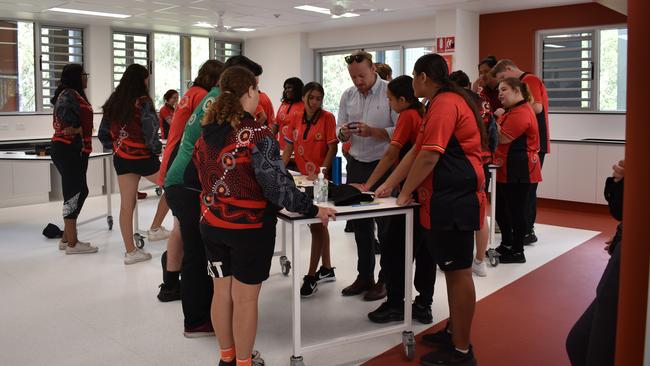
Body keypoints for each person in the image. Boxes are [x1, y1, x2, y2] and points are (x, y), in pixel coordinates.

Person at [194, 66, 336, 366]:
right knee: (245, 298)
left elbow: (189, 174)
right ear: (248, 92)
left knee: (221, 293)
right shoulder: (258, 134)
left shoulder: (206, 133)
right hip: (249, 229)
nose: (258, 95)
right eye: (256, 90)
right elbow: (278, 189)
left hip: (212, 223)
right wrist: (313, 209)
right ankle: (245, 362)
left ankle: (227, 358)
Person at [376, 53, 486, 365]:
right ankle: (455, 331)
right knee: (452, 272)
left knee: (458, 272)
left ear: (424, 77)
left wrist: (405, 192)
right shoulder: (436, 104)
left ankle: (462, 350)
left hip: (455, 199)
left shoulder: (446, 103)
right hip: (444, 198)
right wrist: (389, 186)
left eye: (413, 76)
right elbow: (415, 152)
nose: (412, 83)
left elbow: (429, 157)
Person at [354, 75, 435, 324]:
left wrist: (370, 185)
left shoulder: (408, 116)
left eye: (390, 99)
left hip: (410, 194)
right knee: (423, 252)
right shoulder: (422, 114)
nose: (388, 103)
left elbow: (391, 155)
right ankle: (423, 303)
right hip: (424, 194)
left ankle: (395, 303)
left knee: (393, 248)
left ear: (402, 99)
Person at [163, 60, 226, 336]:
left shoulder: (196, 95)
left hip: (177, 171)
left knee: (189, 243)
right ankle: (197, 320)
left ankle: (173, 288)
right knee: (197, 252)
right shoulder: (212, 99)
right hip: (185, 179)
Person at [337, 50, 397, 301]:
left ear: (373, 69)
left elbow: (400, 132)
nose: (358, 81)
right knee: (361, 225)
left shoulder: (389, 92)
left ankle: (385, 280)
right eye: (353, 77)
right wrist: (344, 134)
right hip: (357, 164)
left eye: (361, 75)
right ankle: (365, 276)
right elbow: (339, 128)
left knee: (386, 227)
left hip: (384, 166)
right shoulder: (348, 95)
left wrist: (373, 131)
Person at [98, 63, 167, 264]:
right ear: (142, 80)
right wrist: (156, 149)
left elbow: (103, 133)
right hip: (143, 158)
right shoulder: (143, 102)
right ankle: (155, 228)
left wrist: (118, 146)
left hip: (122, 158)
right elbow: (150, 130)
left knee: (126, 205)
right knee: (174, 185)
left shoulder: (114, 101)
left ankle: (131, 252)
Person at [282, 82, 338, 297]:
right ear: (303, 97)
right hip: (302, 178)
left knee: (316, 225)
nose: (315, 102)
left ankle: (312, 275)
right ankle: (327, 268)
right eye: (311, 97)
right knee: (320, 225)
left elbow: (332, 147)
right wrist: (279, 170)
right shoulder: (294, 117)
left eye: (319, 98)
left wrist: (322, 172)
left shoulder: (327, 118)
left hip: (320, 180)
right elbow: (288, 147)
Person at [566, 160, 624, 366]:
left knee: (591, 348)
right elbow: (621, 210)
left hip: (632, 264)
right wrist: (621, 181)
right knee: (580, 343)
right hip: (626, 252)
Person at [491, 59, 549, 244]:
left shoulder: (528, 83)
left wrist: (498, 118)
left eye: (503, 85)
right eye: (499, 89)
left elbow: (537, 107)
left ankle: (522, 235)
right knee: (507, 204)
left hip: (523, 158)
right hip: (510, 160)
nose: (500, 93)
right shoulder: (512, 111)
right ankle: (512, 240)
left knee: (520, 202)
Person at [50, 63, 98, 254]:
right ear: (76, 77)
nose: (86, 77)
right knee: (73, 193)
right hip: (67, 148)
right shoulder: (68, 95)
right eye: (84, 74)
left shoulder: (74, 95)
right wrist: (80, 129)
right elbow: (68, 128)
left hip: (76, 150)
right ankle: (72, 244)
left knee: (81, 190)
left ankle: (65, 239)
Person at [450, 70, 492, 277]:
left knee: (455, 211)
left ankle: (457, 260)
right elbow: (493, 131)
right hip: (482, 162)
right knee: (480, 213)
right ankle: (479, 261)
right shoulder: (483, 103)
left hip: (459, 164)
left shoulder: (453, 103)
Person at [276, 77, 304, 152]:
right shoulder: (283, 104)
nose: (286, 90)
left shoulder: (304, 105)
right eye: (285, 88)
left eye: (289, 87)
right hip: (282, 148)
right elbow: (276, 124)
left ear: (297, 89)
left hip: (297, 149)